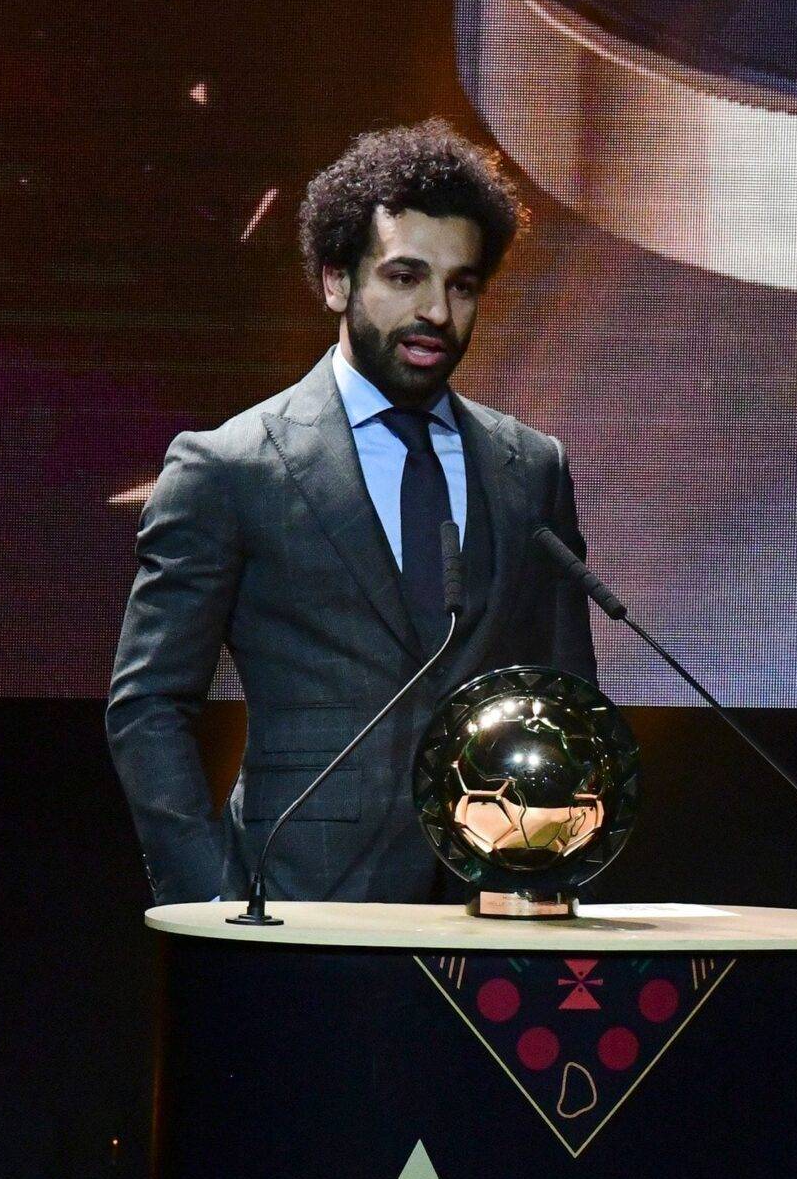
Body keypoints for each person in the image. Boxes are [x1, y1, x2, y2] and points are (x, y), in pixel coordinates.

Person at [107, 120, 597, 906]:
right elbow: (148, 706)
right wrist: (209, 901)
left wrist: (552, 879)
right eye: (405, 277)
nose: (436, 309)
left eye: (461, 284)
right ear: (337, 280)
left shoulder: (531, 468)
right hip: (300, 908)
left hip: (499, 916)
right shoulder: (230, 467)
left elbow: (567, 699)